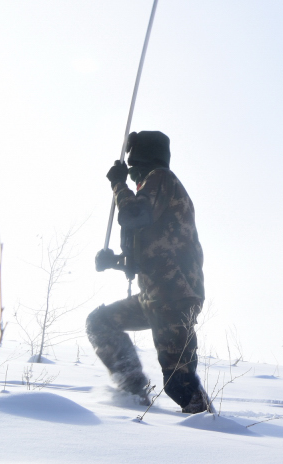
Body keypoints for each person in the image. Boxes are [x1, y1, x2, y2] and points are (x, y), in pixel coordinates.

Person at [87, 130, 209, 413]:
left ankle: (211, 434)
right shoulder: (158, 191)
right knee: (100, 322)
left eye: (132, 171)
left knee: (180, 383)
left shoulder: (160, 178)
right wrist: (114, 261)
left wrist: (117, 185)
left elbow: (133, 215)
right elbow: (150, 255)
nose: (132, 178)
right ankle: (133, 391)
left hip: (173, 296)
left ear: (142, 163)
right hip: (155, 296)